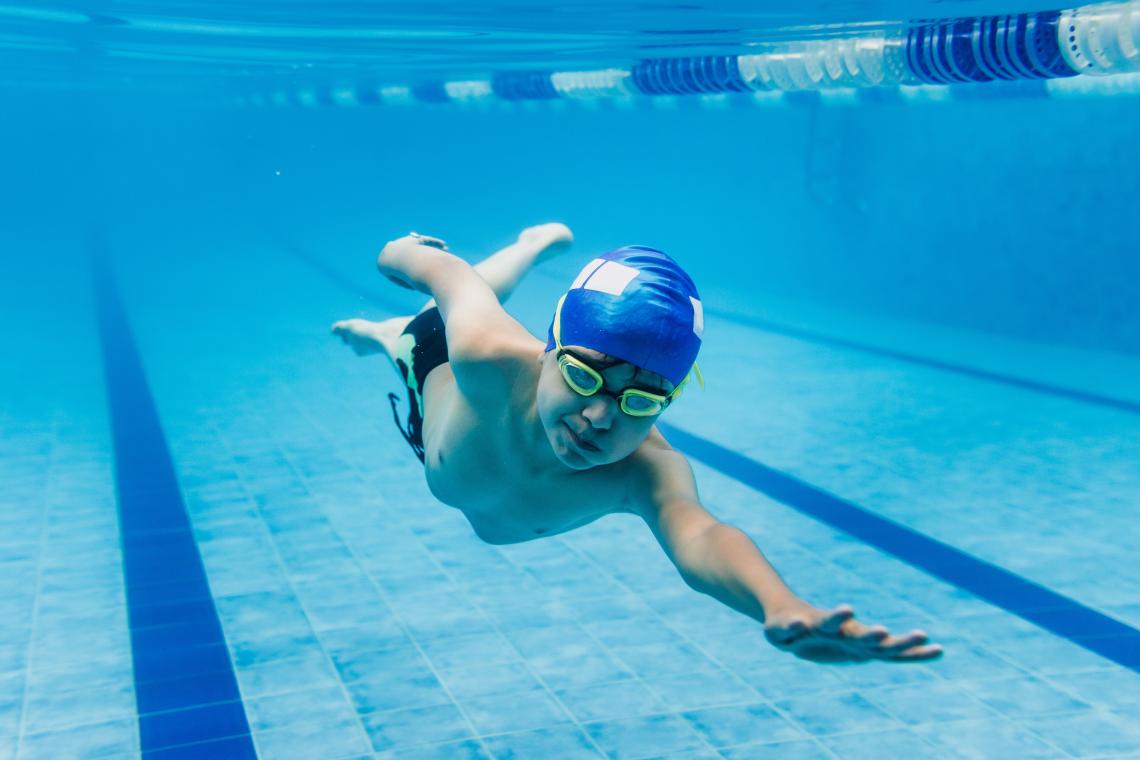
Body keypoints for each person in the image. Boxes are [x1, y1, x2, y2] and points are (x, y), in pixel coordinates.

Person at [332, 224, 942, 664]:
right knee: (424, 323)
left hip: (462, 436)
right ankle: (530, 245)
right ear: (550, 350)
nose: (600, 415)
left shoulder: (643, 471)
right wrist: (403, 252)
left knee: (448, 313)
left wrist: (777, 603)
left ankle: (407, 321)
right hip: (433, 366)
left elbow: (699, 534)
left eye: (642, 399)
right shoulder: (484, 356)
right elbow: (447, 275)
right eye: (582, 372)